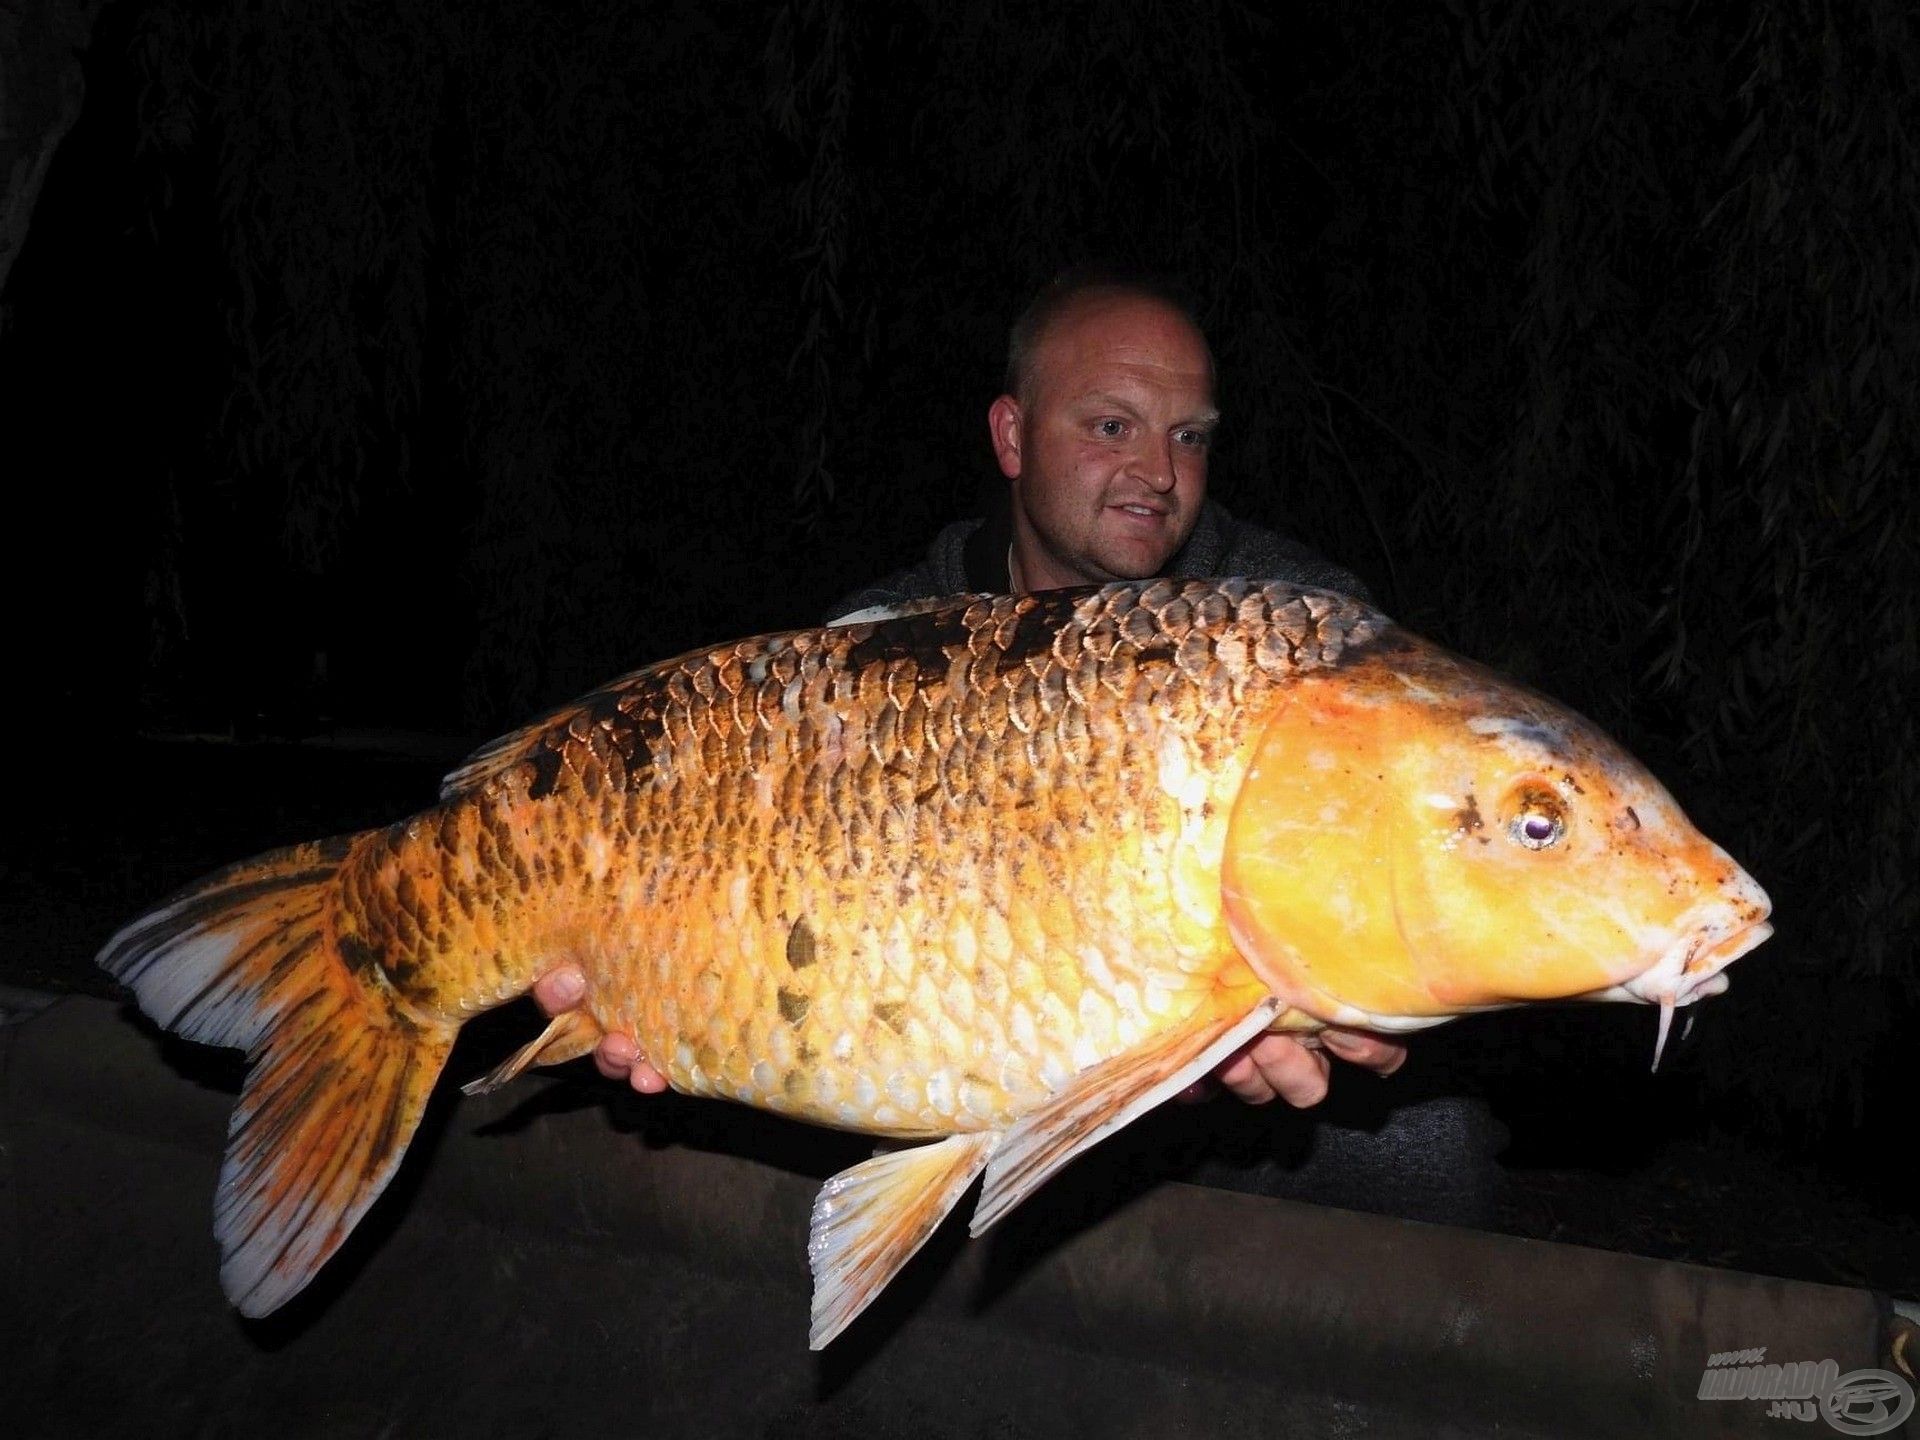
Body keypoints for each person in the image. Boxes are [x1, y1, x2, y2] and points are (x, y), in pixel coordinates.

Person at [534, 270, 1508, 1226]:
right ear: (1011, 435)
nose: (1159, 473)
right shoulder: (880, 640)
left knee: (1426, 1141)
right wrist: (655, 981)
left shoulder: (1295, 633)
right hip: (958, 1066)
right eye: (1112, 425)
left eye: (1190, 436)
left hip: (1232, 1138)